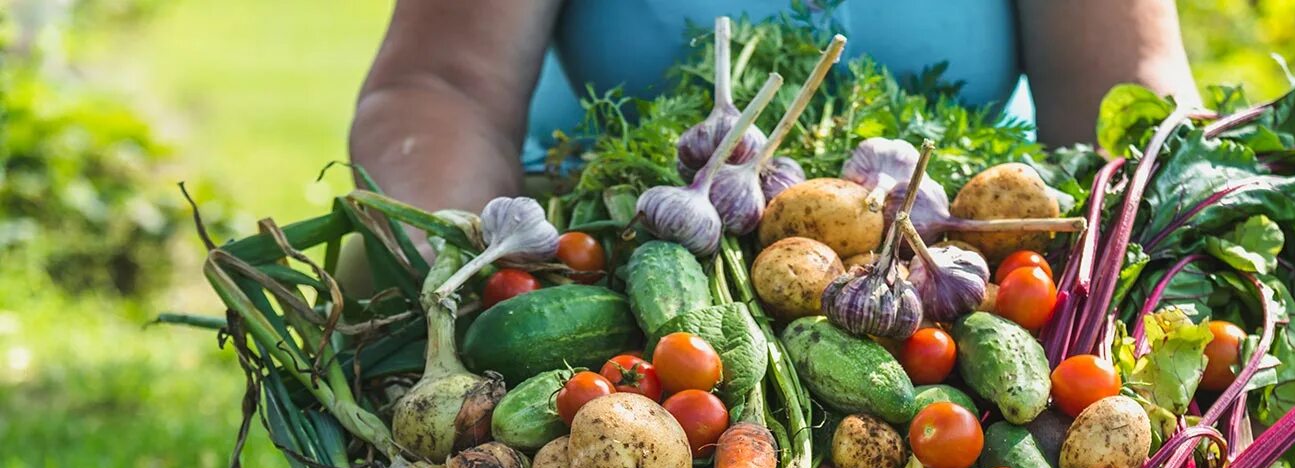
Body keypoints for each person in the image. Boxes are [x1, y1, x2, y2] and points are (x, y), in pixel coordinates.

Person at [350, 0, 1197, 216]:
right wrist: (460, 263)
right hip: (616, 254)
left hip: (948, 264)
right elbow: (439, 89)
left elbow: (1127, 106)